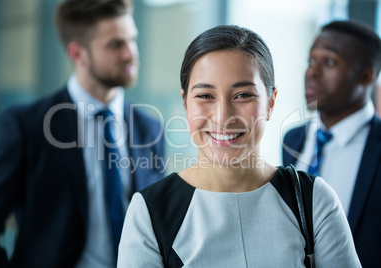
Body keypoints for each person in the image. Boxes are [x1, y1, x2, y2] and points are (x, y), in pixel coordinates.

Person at [117, 25, 361, 267]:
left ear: (271, 103)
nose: (223, 117)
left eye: (243, 95)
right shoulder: (150, 211)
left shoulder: (314, 200)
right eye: (205, 96)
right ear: (185, 103)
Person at [0, 0, 165, 267]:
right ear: (78, 53)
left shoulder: (150, 128)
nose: (130, 53)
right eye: (115, 45)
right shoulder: (28, 126)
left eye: (132, 40)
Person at [282, 20, 381, 267]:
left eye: (329, 62)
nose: (312, 72)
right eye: (311, 61)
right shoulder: (293, 139)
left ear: (366, 75)